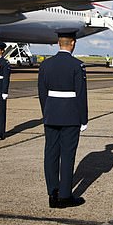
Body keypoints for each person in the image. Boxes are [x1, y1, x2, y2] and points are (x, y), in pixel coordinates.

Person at [38, 28, 88, 209]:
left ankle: (53, 193)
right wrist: (84, 119)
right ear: (73, 43)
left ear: (59, 43)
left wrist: (47, 112)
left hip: (51, 113)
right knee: (67, 154)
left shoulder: (45, 64)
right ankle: (65, 195)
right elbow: (81, 94)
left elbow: (42, 93)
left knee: (50, 153)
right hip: (70, 115)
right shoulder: (77, 65)